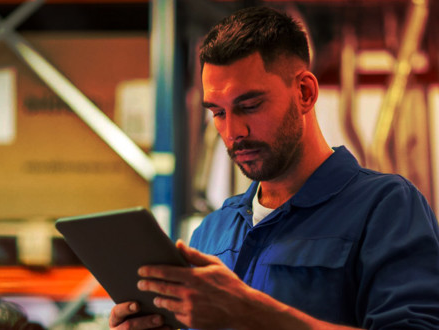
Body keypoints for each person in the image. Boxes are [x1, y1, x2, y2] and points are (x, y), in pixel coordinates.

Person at [109, 6, 439, 330]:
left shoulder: (385, 207)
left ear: (305, 92)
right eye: (218, 113)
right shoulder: (212, 231)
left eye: (249, 106)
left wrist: (252, 315)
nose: (233, 131)